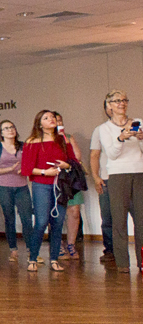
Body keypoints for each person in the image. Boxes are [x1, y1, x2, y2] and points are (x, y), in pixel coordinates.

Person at [92, 90, 143, 273]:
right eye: (117, 100)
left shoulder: (138, 122)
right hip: (117, 176)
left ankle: (142, 261)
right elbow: (112, 155)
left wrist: (141, 138)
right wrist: (121, 138)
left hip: (139, 173)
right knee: (119, 221)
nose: (122, 103)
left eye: (124, 100)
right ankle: (122, 264)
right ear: (109, 106)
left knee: (141, 220)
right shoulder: (103, 129)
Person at [21, 110, 75, 273]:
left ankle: (54, 259)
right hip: (41, 185)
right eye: (46, 118)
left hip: (61, 185)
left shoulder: (63, 139)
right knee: (41, 222)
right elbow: (26, 169)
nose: (51, 119)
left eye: (52, 117)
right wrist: (45, 172)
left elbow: (72, 162)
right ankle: (33, 258)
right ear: (39, 123)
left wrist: (66, 165)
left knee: (58, 224)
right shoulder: (32, 141)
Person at [0, 120, 32, 263]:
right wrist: (10, 169)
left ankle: (31, 250)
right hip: (3, 186)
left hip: (21, 186)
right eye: (6, 128)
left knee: (27, 218)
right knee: (9, 218)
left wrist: (24, 169)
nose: (10, 130)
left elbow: (30, 163)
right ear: (1, 133)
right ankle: (13, 250)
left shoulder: (23, 146)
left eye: (12, 127)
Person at [89, 98, 119, 263]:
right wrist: (96, 177)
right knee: (108, 218)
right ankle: (110, 251)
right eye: (110, 105)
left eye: (120, 102)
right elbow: (94, 155)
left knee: (137, 216)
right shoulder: (100, 130)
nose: (114, 107)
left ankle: (139, 250)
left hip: (131, 178)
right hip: (107, 178)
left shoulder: (135, 124)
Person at [53, 112, 85, 260]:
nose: (58, 123)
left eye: (60, 120)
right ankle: (57, 244)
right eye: (55, 121)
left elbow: (78, 157)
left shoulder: (69, 137)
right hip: (54, 179)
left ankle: (71, 244)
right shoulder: (44, 140)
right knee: (56, 213)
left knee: (74, 212)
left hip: (71, 178)